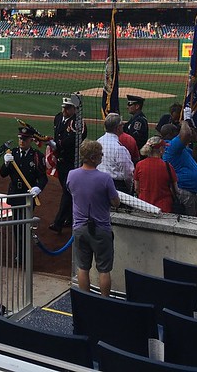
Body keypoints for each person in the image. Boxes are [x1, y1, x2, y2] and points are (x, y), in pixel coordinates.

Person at [67, 140, 120, 296]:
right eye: (100, 154)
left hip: (80, 228)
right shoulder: (105, 179)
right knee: (104, 270)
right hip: (101, 229)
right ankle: (104, 301)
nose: (101, 157)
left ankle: (86, 301)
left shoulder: (72, 174)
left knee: (83, 268)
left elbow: (72, 191)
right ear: (92, 157)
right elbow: (115, 202)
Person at [1, 127, 47, 263]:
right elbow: (3, 174)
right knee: (17, 226)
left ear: (31, 140)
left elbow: (43, 177)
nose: (22, 141)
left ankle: (25, 252)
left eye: (25, 139)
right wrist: (5, 163)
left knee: (25, 225)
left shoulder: (37, 156)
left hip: (28, 196)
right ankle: (20, 253)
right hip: (15, 194)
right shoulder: (12, 154)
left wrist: (38, 188)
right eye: (20, 138)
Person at [49, 96, 87, 233]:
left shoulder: (78, 122)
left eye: (68, 108)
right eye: (63, 107)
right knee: (68, 190)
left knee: (68, 190)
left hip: (73, 162)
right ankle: (70, 218)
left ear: (74, 109)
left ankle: (58, 222)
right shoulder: (58, 118)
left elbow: (75, 140)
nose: (64, 110)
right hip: (61, 161)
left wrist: (57, 144)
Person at [161, 113, 197, 216]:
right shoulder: (170, 146)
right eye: (177, 131)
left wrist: (196, 142)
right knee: (188, 223)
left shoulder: (178, 149)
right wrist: (185, 120)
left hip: (189, 191)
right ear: (171, 133)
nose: (179, 133)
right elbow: (185, 134)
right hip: (184, 191)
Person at [134, 136, 176, 213]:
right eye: (164, 147)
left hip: (143, 206)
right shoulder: (167, 167)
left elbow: (137, 188)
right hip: (163, 208)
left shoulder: (139, 165)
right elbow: (174, 190)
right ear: (160, 150)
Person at [96, 113, 134, 193]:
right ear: (117, 128)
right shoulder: (119, 148)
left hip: (98, 182)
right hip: (116, 186)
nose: (123, 126)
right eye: (121, 125)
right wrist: (129, 188)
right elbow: (128, 173)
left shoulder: (98, 142)